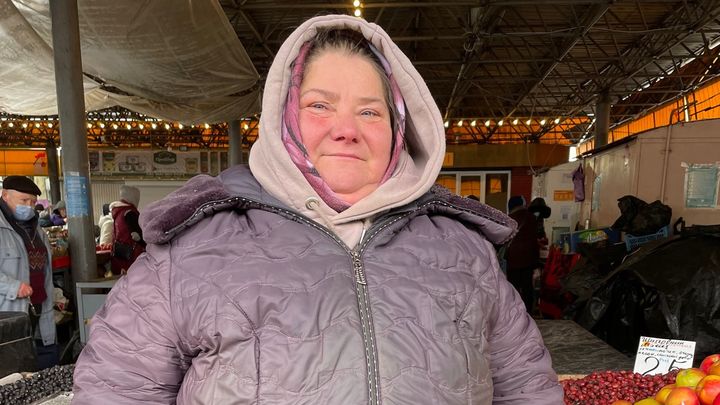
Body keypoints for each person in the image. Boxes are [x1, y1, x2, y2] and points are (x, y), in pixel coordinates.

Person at [73, 15, 562, 404]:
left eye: (370, 111)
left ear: (399, 130)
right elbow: (114, 392)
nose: (346, 129)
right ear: (282, 118)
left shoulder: (463, 250)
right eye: (319, 106)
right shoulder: (191, 251)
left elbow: (526, 387)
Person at [0, 176, 57, 365]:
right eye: (24, 201)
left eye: (32, 202)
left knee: (42, 364)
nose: (29, 206)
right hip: (10, 310)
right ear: (5, 195)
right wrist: (12, 287)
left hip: (39, 306)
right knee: (14, 369)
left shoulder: (36, 228)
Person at [505, 195, 541, 313]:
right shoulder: (531, 218)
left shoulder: (508, 219)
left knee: (513, 288)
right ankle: (528, 313)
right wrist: (536, 264)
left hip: (513, 259)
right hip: (528, 260)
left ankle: (514, 313)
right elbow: (534, 242)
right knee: (527, 289)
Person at [109, 186, 145, 274]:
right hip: (131, 259)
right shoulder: (130, 213)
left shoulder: (118, 212)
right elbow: (137, 235)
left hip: (118, 256)